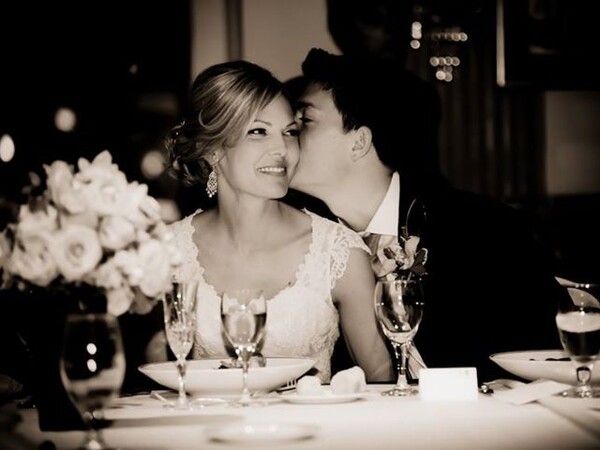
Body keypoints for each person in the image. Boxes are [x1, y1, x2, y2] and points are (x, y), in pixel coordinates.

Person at [290, 47, 565, 383]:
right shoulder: (303, 244)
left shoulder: (485, 230)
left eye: (305, 120)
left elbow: (544, 352)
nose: (288, 136)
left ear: (359, 142)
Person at [162, 60, 393, 383]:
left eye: (290, 132)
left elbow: (381, 381)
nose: (282, 148)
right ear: (211, 149)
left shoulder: (338, 253)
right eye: (259, 131)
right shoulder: (166, 251)